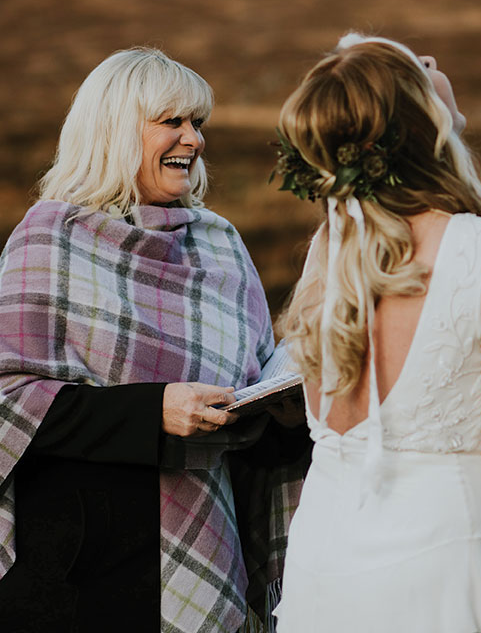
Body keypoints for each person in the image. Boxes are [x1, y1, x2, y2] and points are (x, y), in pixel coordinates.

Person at [0, 47, 310, 632]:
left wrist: (286, 420)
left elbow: (246, 416)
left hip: (210, 548)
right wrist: (154, 411)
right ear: (115, 130)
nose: (193, 139)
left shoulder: (221, 246)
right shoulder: (49, 239)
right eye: (172, 121)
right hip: (75, 576)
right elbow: (9, 401)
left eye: (198, 122)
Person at [271, 34, 481, 633]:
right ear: (421, 117)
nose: (432, 62)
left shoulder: (331, 249)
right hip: (452, 571)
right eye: (419, 65)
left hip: (320, 573)